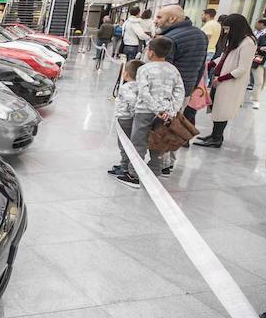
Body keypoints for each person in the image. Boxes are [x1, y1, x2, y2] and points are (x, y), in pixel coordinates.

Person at [116, 37, 185, 188]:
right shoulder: (173, 70)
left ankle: (133, 175)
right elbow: (180, 91)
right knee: (158, 142)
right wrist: (170, 111)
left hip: (144, 111)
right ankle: (154, 170)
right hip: (166, 113)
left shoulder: (144, 69)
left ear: (151, 52)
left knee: (138, 143)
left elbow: (144, 92)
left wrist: (156, 109)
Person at [195, 13, 257, 148]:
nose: (226, 31)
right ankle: (215, 135)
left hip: (230, 83)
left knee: (223, 109)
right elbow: (225, 57)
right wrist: (210, 64)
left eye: (228, 29)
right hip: (221, 80)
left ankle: (217, 139)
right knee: (216, 107)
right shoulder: (236, 40)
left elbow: (242, 69)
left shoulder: (248, 43)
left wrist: (221, 78)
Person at [108, 59, 145, 176]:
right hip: (131, 120)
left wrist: (133, 113)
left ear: (126, 74)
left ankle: (125, 167)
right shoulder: (140, 86)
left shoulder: (126, 87)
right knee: (128, 144)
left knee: (124, 144)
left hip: (125, 120)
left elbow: (132, 102)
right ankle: (125, 164)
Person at [250, 18, 266, 108]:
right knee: (259, 81)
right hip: (259, 61)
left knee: (263, 82)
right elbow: (255, 47)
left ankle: (255, 95)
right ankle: (256, 100)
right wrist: (261, 48)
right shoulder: (263, 37)